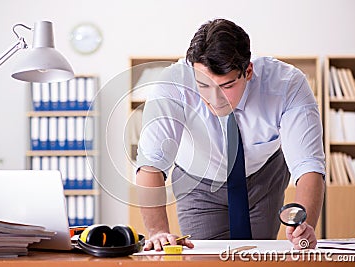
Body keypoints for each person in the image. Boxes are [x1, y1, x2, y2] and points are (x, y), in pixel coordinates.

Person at [135, 18, 325, 251]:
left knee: (257, 255)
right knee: (205, 257)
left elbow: (308, 165)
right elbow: (151, 164)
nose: (214, 100)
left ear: (248, 71)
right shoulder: (172, 86)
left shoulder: (287, 85)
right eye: (203, 85)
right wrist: (158, 232)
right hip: (198, 179)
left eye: (226, 86)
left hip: (263, 176)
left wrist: (304, 225)